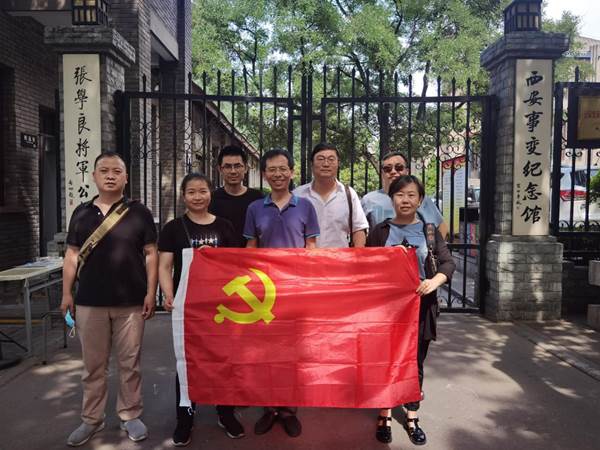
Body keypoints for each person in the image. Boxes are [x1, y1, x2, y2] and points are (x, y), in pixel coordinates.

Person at [61, 151, 158, 446]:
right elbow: (72, 254)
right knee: (93, 366)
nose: (111, 175)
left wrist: (151, 292)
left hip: (131, 301)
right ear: (94, 176)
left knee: (130, 363)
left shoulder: (139, 213)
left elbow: (151, 253)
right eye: (104, 170)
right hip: (89, 301)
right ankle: (92, 418)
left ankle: (130, 414)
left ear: (126, 177)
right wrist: (66, 293)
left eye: (117, 171)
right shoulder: (81, 213)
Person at [366, 175, 455, 445]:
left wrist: (433, 282)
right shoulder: (380, 231)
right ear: (391, 198)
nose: (405, 200)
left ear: (420, 199)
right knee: (387, 361)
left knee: (415, 362)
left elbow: (448, 264)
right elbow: (366, 267)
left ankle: (412, 415)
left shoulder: (429, 231)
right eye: (400, 195)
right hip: (387, 310)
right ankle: (384, 413)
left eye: (411, 195)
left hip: (420, 308)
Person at [158, 173, 239, 446]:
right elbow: (165, 266)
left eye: (202, 191)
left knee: (223, 360)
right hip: (188, 307)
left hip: (221, 308)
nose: (197, 197)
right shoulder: (173, 229)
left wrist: (214, 257)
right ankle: (185, 418)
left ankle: (225, 412)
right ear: (183, 196)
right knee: (187, 361)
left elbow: (236, 266)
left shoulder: (225, 227)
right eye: (191, 192)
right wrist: (168, 294)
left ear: (210, 193)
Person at [243, 148, 320, 437]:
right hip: (264, 295)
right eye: (272, 170)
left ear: (292, 171)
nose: (278, 174)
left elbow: (311, 248)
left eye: (282, 169)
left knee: (292, 353)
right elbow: (250, 249)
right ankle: (269, 408)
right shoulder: (254, 208)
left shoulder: (305, 207)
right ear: (264, 174)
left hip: (295, 292)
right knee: (265, 353)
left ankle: (288, 410)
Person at [293, 142, 368, 248]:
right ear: (312, 164)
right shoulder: (298, 195)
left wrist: (358, 254)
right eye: (320, 159)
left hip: (340, 257)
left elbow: (358, 229)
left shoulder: (349, 194)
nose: (326, 164)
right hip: (306, 257)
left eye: (331, 159)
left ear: (338, 163)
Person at [361, 151, 448, 238]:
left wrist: (434, 246)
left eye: (399, 168)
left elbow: (441, 226)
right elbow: (360, 230)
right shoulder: (368, 200)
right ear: (382, 173)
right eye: (387, 169)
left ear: (407, 171)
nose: (393, 171)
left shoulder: (419, 198)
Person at [209, 145, 264, 247]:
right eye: (227, 166)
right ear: (220, 169)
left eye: (237, 166)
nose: (233, 171)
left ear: (246, 168)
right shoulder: (211, 199)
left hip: (251, 254)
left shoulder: (257, 198)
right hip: (220, 254)